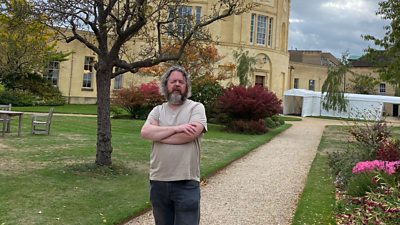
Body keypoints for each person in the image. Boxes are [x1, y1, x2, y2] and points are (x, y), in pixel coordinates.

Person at [140, 65, 207, 225]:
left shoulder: (196, 108)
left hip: (186, 182)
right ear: (165, 86)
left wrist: (159, 134)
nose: (177, 84)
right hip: (158, 182)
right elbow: (145, 132)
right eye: (173, 81)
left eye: (181, 81)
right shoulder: (157, 110)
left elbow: (188, 135)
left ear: (186, 86)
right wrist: (177, 128)